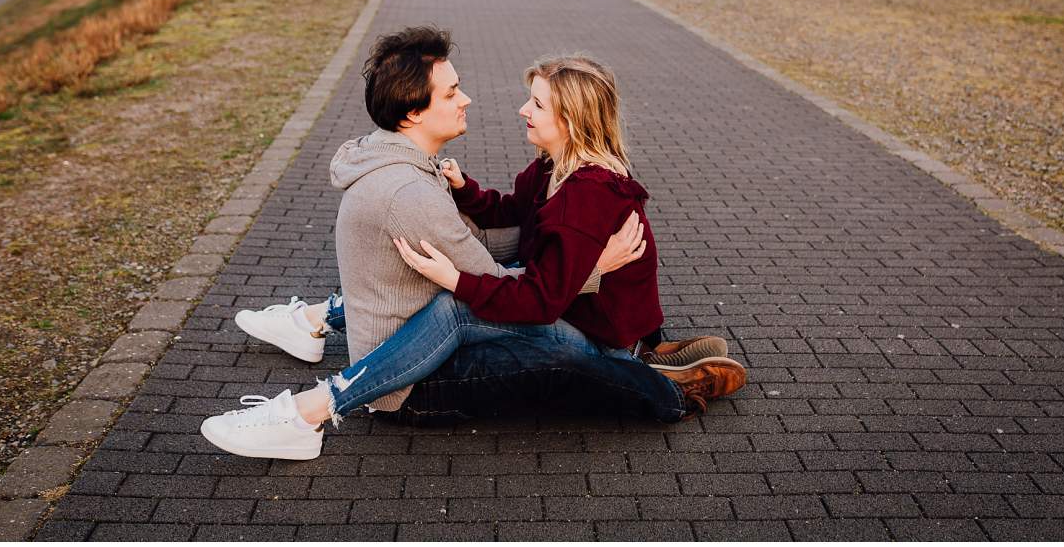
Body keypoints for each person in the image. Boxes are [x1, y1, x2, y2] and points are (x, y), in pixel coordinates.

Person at [200, 28, 744, 460]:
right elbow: (514, 220)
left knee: (460, 306)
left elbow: (534, 299)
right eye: (454, 90)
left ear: (571, 120)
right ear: (414, 111)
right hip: (572, 311)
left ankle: (659, 379)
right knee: (465, 298)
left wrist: (471, 277)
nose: (516, 109)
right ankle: (317, 348)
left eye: (536, 104)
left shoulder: (586, 194)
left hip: (593, 329)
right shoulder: (547, 170)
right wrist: (470, 195)